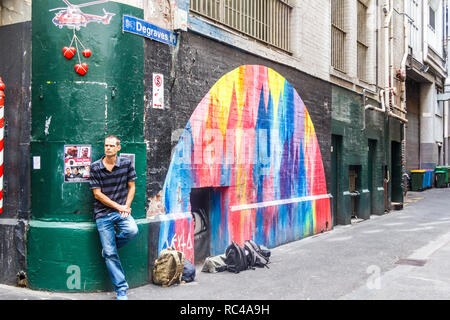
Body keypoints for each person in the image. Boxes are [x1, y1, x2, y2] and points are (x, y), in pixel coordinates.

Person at [89, 135, 138, 300]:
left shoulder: (126, 164)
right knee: (110, 254)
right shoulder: (95, 167)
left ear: (118, 148)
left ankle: (109, 248)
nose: (108, 148)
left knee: (132, 230)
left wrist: (127, 207)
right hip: (102, 214)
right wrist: (119, 206)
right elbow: (97, 195)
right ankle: (121, 289)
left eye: (111, 146)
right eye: (106, 145)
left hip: (121, 211)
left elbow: (132, 186)